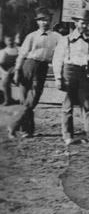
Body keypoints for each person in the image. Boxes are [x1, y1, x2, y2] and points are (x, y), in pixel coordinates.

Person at [53, 9, 89, 145]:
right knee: (68, 105)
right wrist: (58, 78)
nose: (84, 26)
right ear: (76, 23)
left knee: (87, 104)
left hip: (82, 72)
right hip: (68, 72)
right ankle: (67, 136)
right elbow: (57, 59)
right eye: (82, 23)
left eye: (87, 24)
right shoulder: (65, 40)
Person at [11, 8, 61, 138]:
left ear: (50, 21)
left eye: (47, 20)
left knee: (31, 101)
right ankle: (28, 130)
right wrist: (17, 71)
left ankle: (15, 125)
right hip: (27, 66)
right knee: (23, 100)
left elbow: (62, 50)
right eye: (41, 20)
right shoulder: (31, 36)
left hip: (41, 68)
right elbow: (22, 55)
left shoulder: (56, 37)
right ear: (37, 22)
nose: (44, 23)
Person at [0, 34, 20, 105]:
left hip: (18, 70)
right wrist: (4, 73)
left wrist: (16, 70)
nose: (10, 42)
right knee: (5, 82)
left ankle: (24, 99)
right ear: (5, 41)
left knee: (24, 83)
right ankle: (8, 99)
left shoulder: (19, 49)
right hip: (6, 72)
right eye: (8, 40)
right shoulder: (3, 51)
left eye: (12, 40)